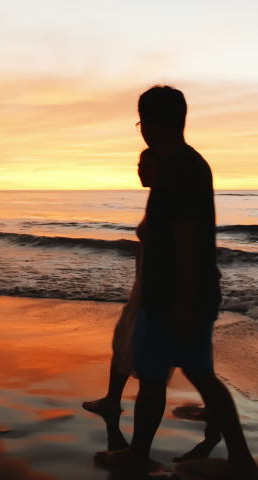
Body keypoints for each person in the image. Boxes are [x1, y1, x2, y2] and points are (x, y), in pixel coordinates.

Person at [95, 85, 258, 480]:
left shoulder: (178, 168)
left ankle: (144, 455)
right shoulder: (186, 163)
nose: (142, 131)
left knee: (169, 377)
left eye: (141, 123)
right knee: (183, 375)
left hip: (173, 297)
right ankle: (236, 460)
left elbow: (187, 238)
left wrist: (183, 304)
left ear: (150, 122)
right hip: (180, 294)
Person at [81, 148, 158, 416]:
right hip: (144, 285)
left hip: (154, 288)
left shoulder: (166, 199)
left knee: (141, 348)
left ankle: (217, 409)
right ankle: (112, 399)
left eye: (147, 166)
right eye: (139, 165)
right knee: (124, 340)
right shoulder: (156, 196)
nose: (140, 170)